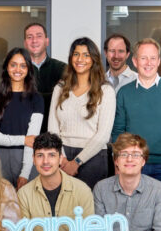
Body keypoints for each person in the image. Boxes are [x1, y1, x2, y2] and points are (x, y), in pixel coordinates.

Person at [12, 132, 94, 231]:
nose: (45, 161)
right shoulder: (24, 193)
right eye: (40, 155)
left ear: (60, 158)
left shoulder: (82, 190)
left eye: (51, 155)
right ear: (33, 159)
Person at [111, 38, 161, 187]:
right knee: (132, 209)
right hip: (132, 164)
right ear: (135, 62)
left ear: (159, 61)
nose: (149, 63)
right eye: (143, 58)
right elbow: (118, 133)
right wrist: (117, 166)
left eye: (153, 58)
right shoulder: (124, 93)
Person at [47, 37, 115, 189]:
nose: (80, 59)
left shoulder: (105, 90)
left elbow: (103, 135)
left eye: (86, 55)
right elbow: (53, 128)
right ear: (71, 58)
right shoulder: (60, 88)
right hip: (61, 156)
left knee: (89, 210)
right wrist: (62, 159)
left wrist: (77, 162)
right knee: (62, 209)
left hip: (93, 157)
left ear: (94, 59)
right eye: (76, 54)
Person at [0, 47, 43, 189]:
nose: (18, 69)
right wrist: (23, 139)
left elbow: (32, 140)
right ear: (6, 67)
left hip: (26, 158)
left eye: (23, 65)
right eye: (13, 64)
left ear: (29, 69)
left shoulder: (36, 99)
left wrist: (24, 173)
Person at [23, 22, 66, 133]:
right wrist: (52, 94)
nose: (34, 40)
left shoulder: (62, 69)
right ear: (25, 43)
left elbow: (66, 100)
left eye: (39, 36)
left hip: (55, 132)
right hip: (25, 134)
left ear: (47, 41)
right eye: (29, 37)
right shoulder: (18, 70)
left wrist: (30, 95)